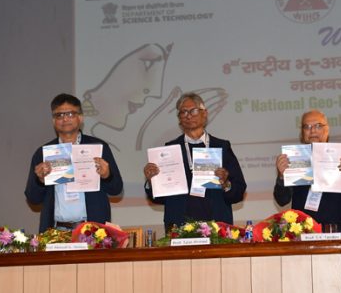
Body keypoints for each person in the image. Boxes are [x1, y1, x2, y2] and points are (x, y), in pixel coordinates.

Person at [144, 92, 246, 228]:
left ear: (204, 113)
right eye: (183, 112)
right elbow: (159, 198)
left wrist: (225, 183)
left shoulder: (221, 146)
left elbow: (238, 192)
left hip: (217, 227)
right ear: (179, 119)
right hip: (179, 227)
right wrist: (152, 181)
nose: (188, 115)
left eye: (193, 110)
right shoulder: (170, 150)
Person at [25, 93, 123, 232]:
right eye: (59, 115)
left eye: (70, 114)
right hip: (56, 231)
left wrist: (107, 175)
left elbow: (116, 189)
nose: (65, 119)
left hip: (92, 231)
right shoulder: (43, 153)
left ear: (80, 118)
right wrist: (40, 180)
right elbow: (33, 198)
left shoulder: (98, 147)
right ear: (53, 121)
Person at [274, 110, 341, 228]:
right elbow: (282, 200)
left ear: (327, 130)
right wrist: (281, 176)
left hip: (336, 230)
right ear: (302, 133)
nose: (313, 130)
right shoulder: (295, 158)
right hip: (303, 230)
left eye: (318, 126)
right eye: (307, 127)